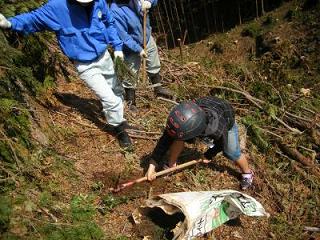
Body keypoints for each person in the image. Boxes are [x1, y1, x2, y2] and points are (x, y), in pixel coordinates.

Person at [0, 0, 133, 148]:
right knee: (109, 98)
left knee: (116, 90)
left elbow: (109, 23)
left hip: (104, 56)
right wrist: (10, 24)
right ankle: (119, 129)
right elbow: (34, 19)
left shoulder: (98, 2)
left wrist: (118, 46)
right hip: (85, 65)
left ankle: (118, 116)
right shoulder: (57, 7)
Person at [145, 96, 254, 190]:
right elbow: (165, 141)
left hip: (226, 116)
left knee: (231, 152)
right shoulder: (182, 121)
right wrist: (152, 166)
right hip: (207, 105)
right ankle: (171, 165)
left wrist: (209, 155)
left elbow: (221, 144)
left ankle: (247, 173)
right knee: (178, 138)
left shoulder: (217, 130)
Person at [110, 0, 173, 110]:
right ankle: (131, 101)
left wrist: (150, 3)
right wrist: (138, 49)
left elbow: (153, 1)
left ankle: (158, 89)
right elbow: (124, 37)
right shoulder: (115, 11)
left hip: (146, 37)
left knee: (153, 62)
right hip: (131, 47)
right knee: (131, 72)